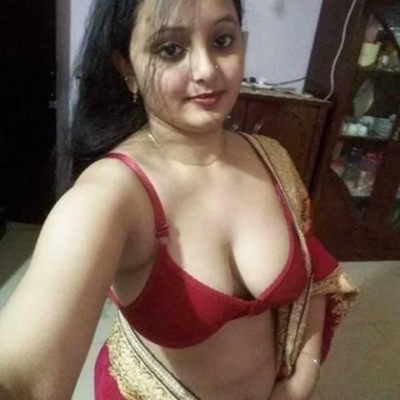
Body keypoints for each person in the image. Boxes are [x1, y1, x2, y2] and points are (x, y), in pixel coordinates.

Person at [0, 0, 358, 399]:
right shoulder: (111, 194)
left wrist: (301, 378)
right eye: (170, 49)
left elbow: (314, 277)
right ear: (126, 67)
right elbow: (21, 378)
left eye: (222, 40)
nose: (207, 70)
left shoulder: (270, 157)